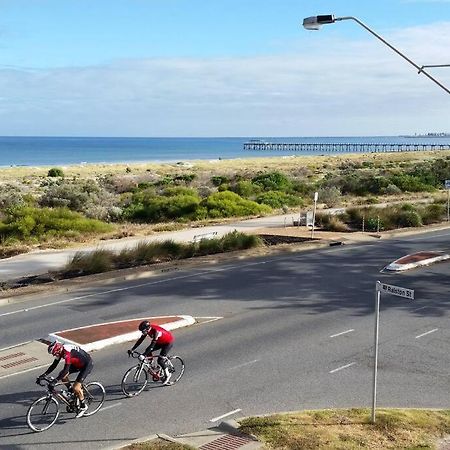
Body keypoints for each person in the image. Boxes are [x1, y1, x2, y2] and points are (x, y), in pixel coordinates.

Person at [37, 341, 93, 418]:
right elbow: (53, 365)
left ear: (58, 350)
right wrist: (43, 375)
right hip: (76, 363)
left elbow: (66, 370)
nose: (55, 355)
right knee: (62, 376)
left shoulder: (67, 352)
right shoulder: (60, 350)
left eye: (55, 354)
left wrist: (55, 381)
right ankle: (71, 391)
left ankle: (83, 406)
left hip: (86, 365)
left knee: (76, 387)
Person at [128, 320, 174, 385]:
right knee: (147, 350)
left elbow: (152, 346)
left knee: (160, 360)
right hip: (160, 341)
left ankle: (167, 375)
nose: (142, 332)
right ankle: (152, 365)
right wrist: (132, 349)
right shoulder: (147, 330)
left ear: (147, 329)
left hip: (167, 342)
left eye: (143, 331)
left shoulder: (156, 332)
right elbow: (140, 340)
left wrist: (144, 355)